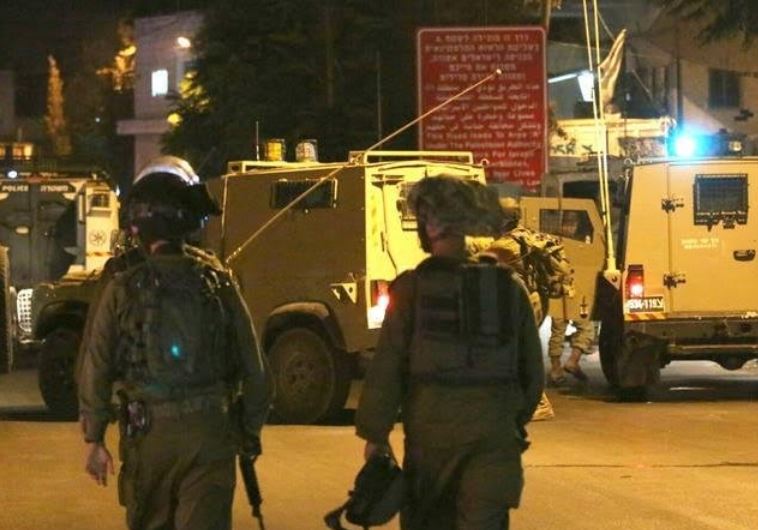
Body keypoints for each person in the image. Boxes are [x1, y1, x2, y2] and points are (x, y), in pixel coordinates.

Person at [78, 156, 273, 530]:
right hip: (211, 433)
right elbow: (257, 371)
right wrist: (247, 432)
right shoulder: (218, 282)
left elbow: (95, 365)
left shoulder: (122, 287)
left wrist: (95, 439)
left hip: (148, 438)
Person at [355, 175, 544, 530]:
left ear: (430, 226)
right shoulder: (509, 287)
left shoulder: (410, 290)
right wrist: (506, 423)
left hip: (431, 448)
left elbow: (386, 372)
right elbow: (533, 376)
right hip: (493, 445)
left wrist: (375, 436)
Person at [482, 196, 574, 421]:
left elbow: (479, 259)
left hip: (524, 302)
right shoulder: (528, 237)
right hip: (534, 299)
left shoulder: (506, 245)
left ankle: (540, 403)